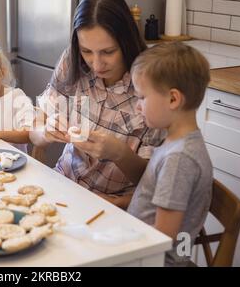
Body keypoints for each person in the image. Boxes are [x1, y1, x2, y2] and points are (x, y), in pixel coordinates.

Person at [30, 0, 165, 208]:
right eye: (87, 51)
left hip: (115, 206)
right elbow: (34, 130)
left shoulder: (151, 81)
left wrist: (120, 154)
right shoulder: (72, 61)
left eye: (108, 52)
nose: (96, 64)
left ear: (126, 41)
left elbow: (153, 184)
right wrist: (45, 132)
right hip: (62, 185)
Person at [83, 41, 213, 266]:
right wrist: (119, 202)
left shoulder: (179, 159)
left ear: (173, 99)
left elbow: (162, 237)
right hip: (141, 247)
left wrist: (111, 247)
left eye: (142, 98)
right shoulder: (175, 142)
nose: (137, 107)